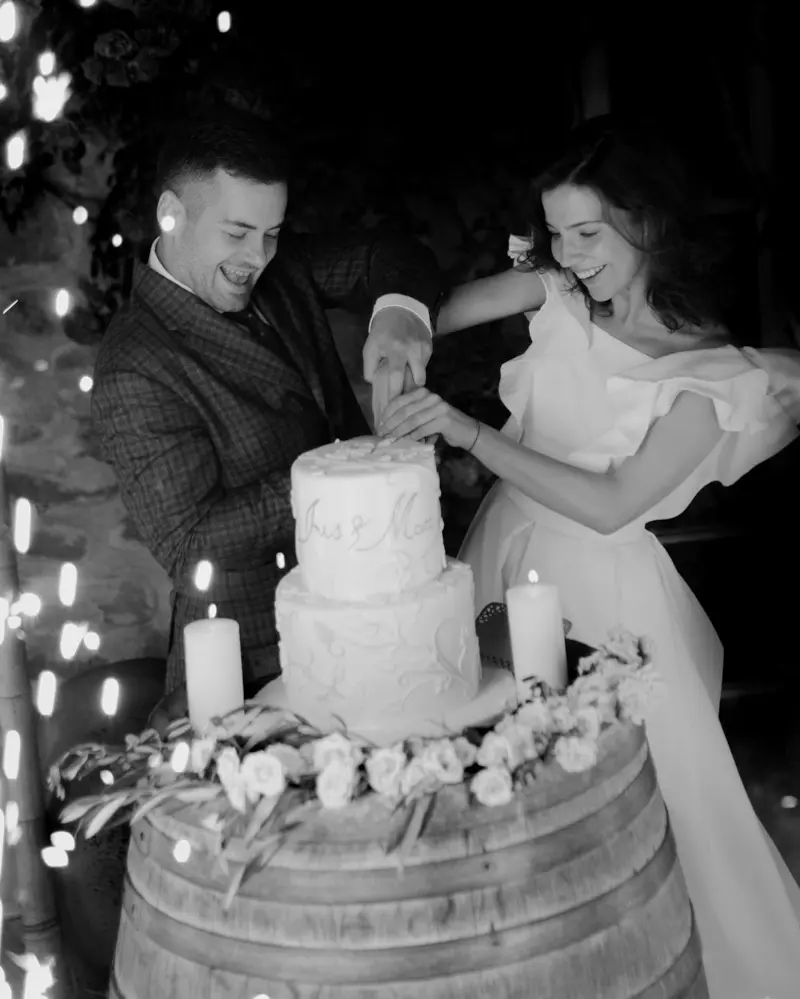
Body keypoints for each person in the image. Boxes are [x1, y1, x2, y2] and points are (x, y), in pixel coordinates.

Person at [378, 115, 800, 998]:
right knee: (492, 786)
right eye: (556, 233)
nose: (569, 255)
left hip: (604, 596)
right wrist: (400, 336)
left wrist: (467, 430)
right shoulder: (558, 294)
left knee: (636, 809)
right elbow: (430, 310)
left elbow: (613, 504)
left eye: (588, 233)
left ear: (646, 221)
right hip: (501, 548)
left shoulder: (708, 374)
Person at [91, 108, 442, 712]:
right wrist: (348, 471)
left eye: (272, 233)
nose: (258, 257)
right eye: (237, 233)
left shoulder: (279, 265)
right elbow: (192, 544)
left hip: (378, 612)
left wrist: (400, 312)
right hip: (252, 662)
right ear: (171, 213)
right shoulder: (134, 364)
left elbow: (387, 252)